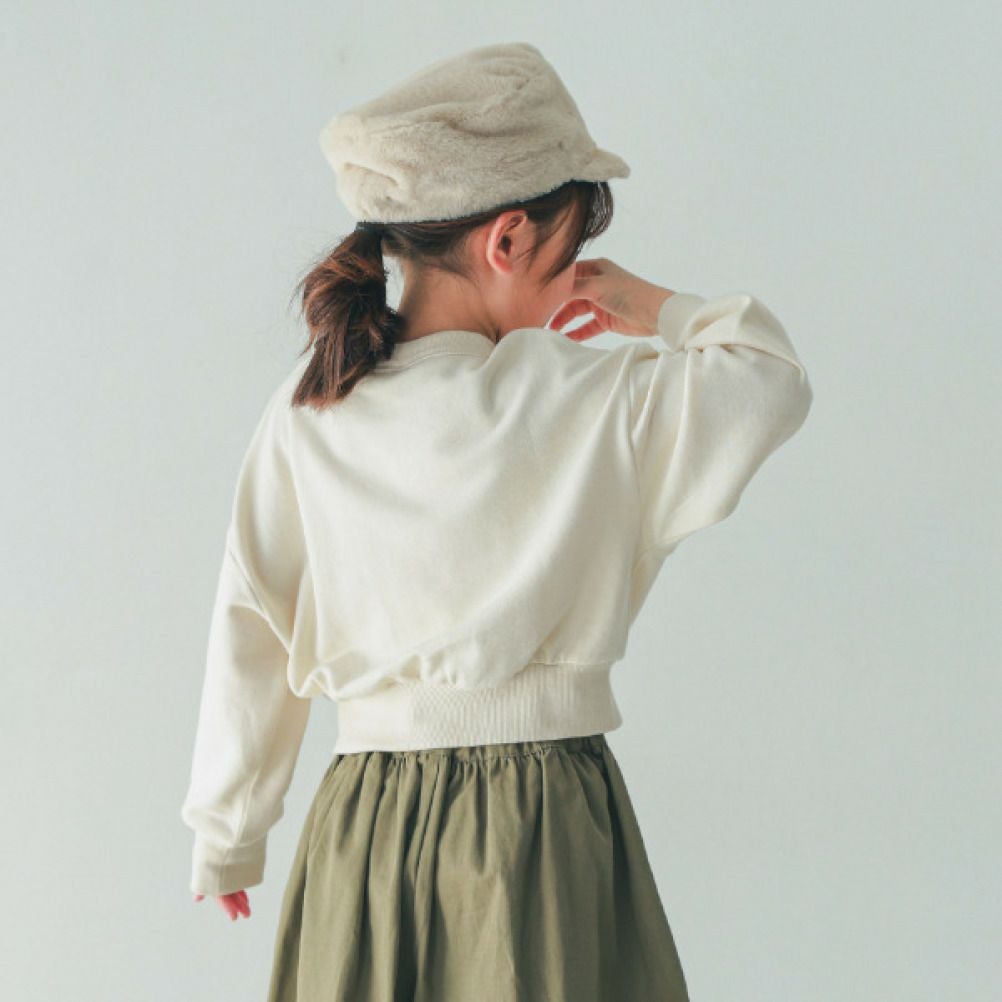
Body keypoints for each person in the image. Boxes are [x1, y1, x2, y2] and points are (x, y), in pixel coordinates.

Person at [179, 41, 813, 1002]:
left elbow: (252, 615)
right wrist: (647, 303)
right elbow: (769, 379)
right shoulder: (586, 397)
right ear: (508, 240)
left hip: (366, 826)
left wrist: (228, 831)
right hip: (543, 818)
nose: (580, 276)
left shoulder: (316, 404)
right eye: (574, 252)